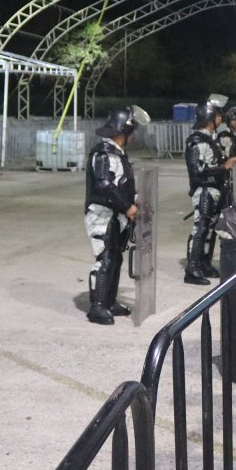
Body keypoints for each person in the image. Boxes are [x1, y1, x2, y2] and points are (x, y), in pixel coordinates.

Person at [85, 106, 145, 325]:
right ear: (123, 131)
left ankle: (109, 302)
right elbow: (104, 184)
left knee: (116, 258)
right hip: (102, 215)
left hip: (115, 215)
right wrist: (127, 206)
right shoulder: (103, 153)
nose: (132, 136)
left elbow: (122, 184)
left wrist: (134, 200)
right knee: (105, 259)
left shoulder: (117, 154)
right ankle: (97, 306)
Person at [184, 98, 236, 285]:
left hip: (215, 190)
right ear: (209, 117)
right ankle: (192, 268)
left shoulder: (210, 139)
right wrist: (224, 167)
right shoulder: (197, 140)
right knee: (200, 228)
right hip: (204, 190)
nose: (220, 118)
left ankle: (205, 263)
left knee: (210, 228)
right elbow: (198, 169)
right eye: (217, 115)